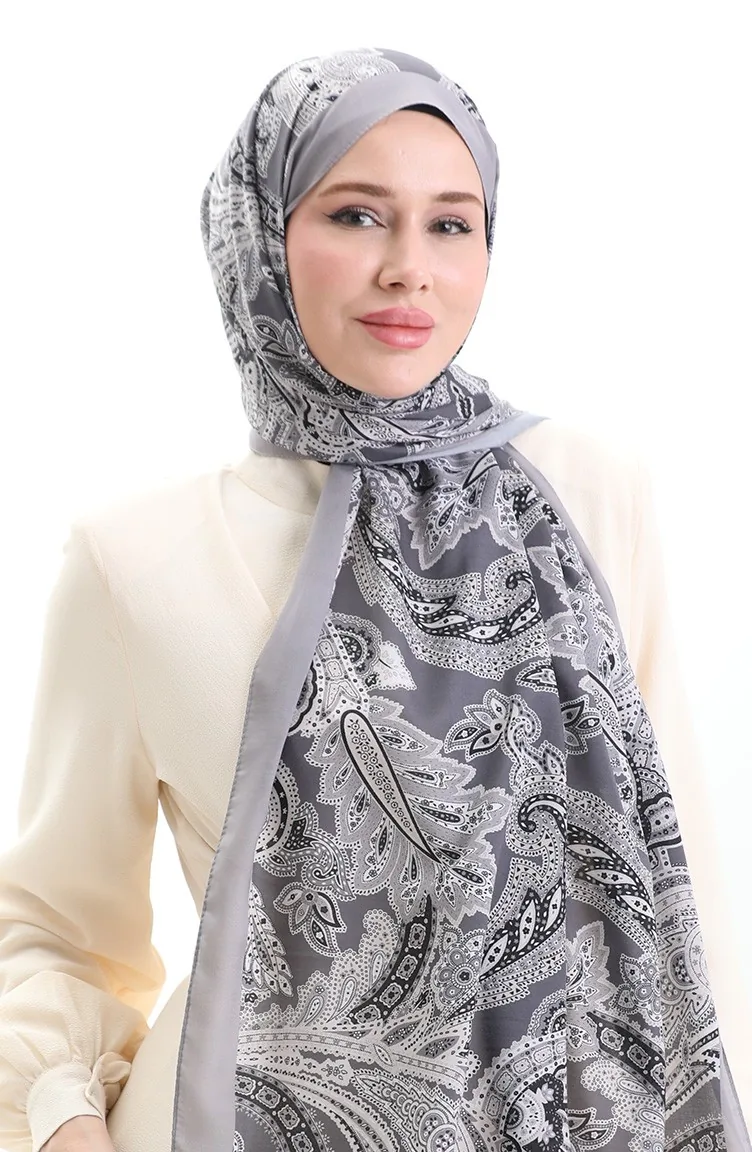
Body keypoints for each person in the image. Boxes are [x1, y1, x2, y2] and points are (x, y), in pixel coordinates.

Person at [0, 46, 749, 1152]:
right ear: (259, 235)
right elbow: (53, 929)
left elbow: (675, 877)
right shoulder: (135, 558)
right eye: (356, 215)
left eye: (450, 224)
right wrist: (62, 1121)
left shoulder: (588, 494)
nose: (408, 269)